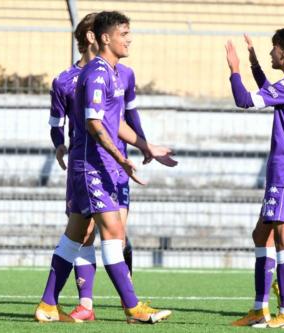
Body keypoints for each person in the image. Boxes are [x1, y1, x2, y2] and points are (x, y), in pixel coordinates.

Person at [35, 11, 176, 324]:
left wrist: (145, 145)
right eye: (123, 35)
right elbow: (95, 123)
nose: (129, 40)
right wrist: (120, 156)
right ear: (102, 38)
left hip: (103, 166)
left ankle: (47, 304)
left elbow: (118, 122)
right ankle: (132, 307)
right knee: (110, 233)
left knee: (74, 238)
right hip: (93, 167)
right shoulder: (96, 74)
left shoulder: (114, 72)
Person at [225, 28, 284, 330]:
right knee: (261, 235)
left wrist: (235, 70)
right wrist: (255, 64)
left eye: (273, 49)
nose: (270, 54)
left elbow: (244, 100)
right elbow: (274, 93)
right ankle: (259, 309)